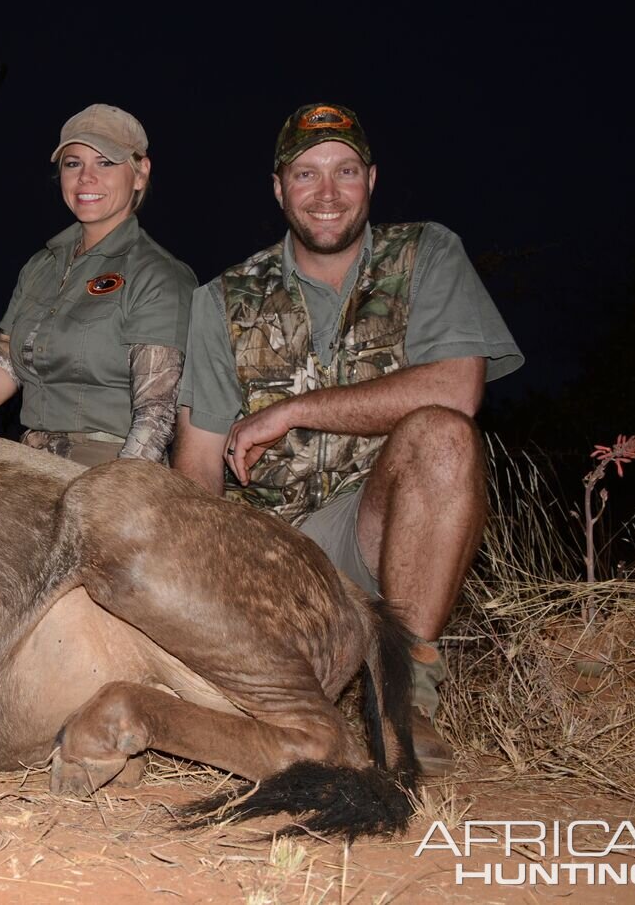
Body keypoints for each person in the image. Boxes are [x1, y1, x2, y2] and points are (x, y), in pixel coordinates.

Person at [173, 102, 523, 772]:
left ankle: (403, 696)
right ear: (279, 189)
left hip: (374, 532)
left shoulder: (426, 254)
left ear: (372, 179)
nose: (327, 194)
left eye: (345, 171)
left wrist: (295, 409)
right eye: (305, 175)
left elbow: (457, 388)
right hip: (271, 551)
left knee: (445, 437)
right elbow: (196, 470)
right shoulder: (220, 299)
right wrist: (206, 594)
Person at [0, 103, 196, 467]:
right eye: (73, 163)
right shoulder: (39, 268)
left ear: (140, 173)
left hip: (111, 472)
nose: (85, 178)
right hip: (30, 466)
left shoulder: (158, 274)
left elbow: (156, 420)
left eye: (105, 163)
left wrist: (108, 500)